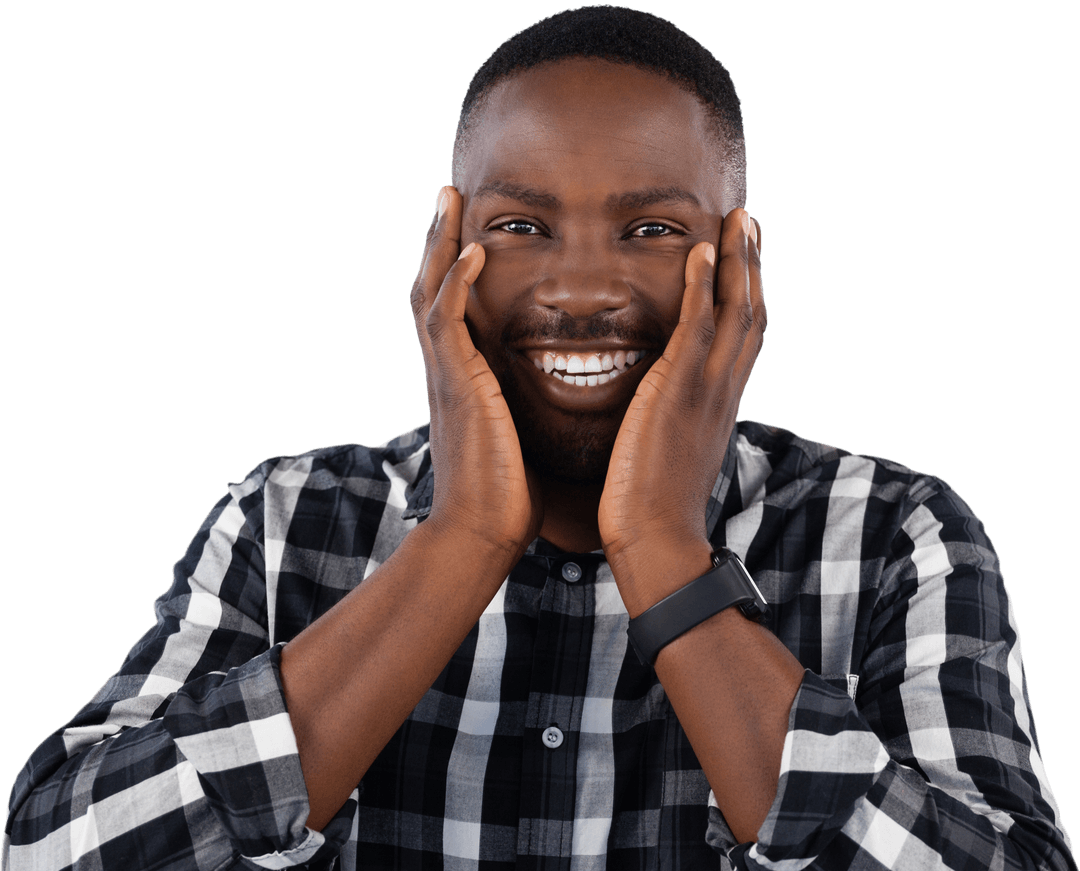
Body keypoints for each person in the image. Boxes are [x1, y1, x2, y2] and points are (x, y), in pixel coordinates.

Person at [3, 6, 1075, 870]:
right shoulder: (283, 524)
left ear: (737, 263)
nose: (578, 289)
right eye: (519, 228)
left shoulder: (895, 539)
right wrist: (464, 536)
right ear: (445, 249)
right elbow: (49, 850)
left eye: (652, 229)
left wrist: (663, 547)